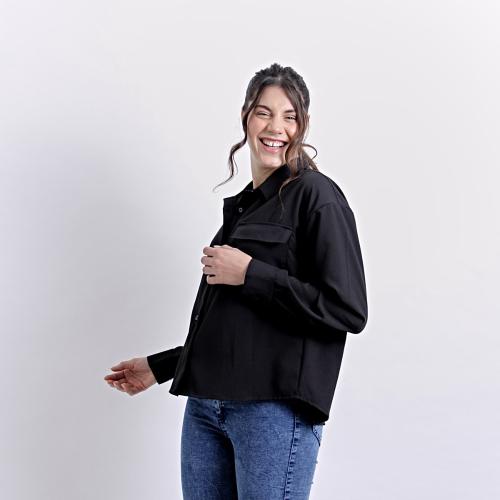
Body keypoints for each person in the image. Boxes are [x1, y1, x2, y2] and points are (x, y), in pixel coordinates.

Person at [104, 63, 368, 499]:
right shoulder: (245, 206)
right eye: (264, 112)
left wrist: (250, 273)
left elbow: (347, 309)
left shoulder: (316, 196)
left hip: (273, 412)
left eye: (289, 116)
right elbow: (238, 328)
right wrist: (161, 366)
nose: (276, 127)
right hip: (205, 408)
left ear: (303, 124)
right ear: (246, 116)